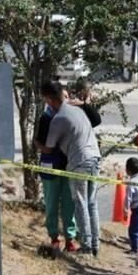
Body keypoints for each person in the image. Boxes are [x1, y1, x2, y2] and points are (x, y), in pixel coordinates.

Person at [38, 80, 102, 257]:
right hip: (95, 158)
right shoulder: (77, 110)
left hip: (79, 162)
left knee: (80, 203)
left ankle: (87, 246)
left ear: (50, 100)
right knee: (91, 203)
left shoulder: (58, 119)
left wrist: (37, 143)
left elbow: (48, 148)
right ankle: (95, 244)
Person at [36, 99, 79, 254]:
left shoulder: (72, 116)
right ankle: (54, 237)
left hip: (69, 167)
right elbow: (40, 143)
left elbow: (94, 120)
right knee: (51, 203)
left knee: (69, 204)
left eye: (66, 97)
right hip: (51, 167)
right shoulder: (46, 118)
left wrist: (84, 104)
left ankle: (70, 238)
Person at [123, 156, 138, 255]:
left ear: (128, 170)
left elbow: (128, 198)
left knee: (133, 229)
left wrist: (125, 210)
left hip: (137, 208)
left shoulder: (131, 183)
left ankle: (135, 249)